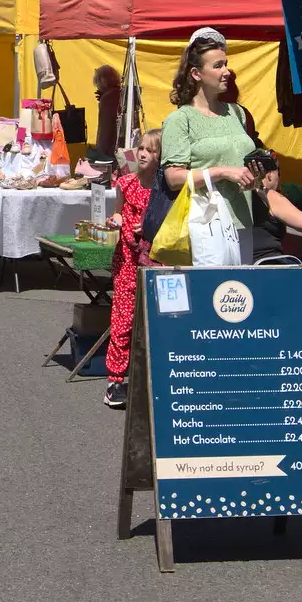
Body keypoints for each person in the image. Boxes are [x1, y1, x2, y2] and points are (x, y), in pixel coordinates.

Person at [160, 28, 258, 261]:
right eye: (217, 66)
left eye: (225, 64)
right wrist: (223, 172)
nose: (227, 72)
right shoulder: (180, 119)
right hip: (206, 226)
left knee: (240, 294)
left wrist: (263, 174)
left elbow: (242, 164)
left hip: (243, 222)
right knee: (213, 295)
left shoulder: (237, 113)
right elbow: (173, 178)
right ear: (196, 73)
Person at [103, 128, 161, 410]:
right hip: (126, 258)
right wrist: (115, 221)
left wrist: (151, 226)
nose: (142, 154)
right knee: (123, 320)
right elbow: (118, 210)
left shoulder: (165, 191)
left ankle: (156, 377)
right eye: (140, 148)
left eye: (150, 150)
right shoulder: (125, 183)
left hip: (156, 258)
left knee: (157, 319)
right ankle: (116, 381)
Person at [92, 65, 123, 162]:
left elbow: (105, 129)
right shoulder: (122, 94)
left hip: (111, 150)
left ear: (103, 81)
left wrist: (100, 153)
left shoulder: (107, 98)